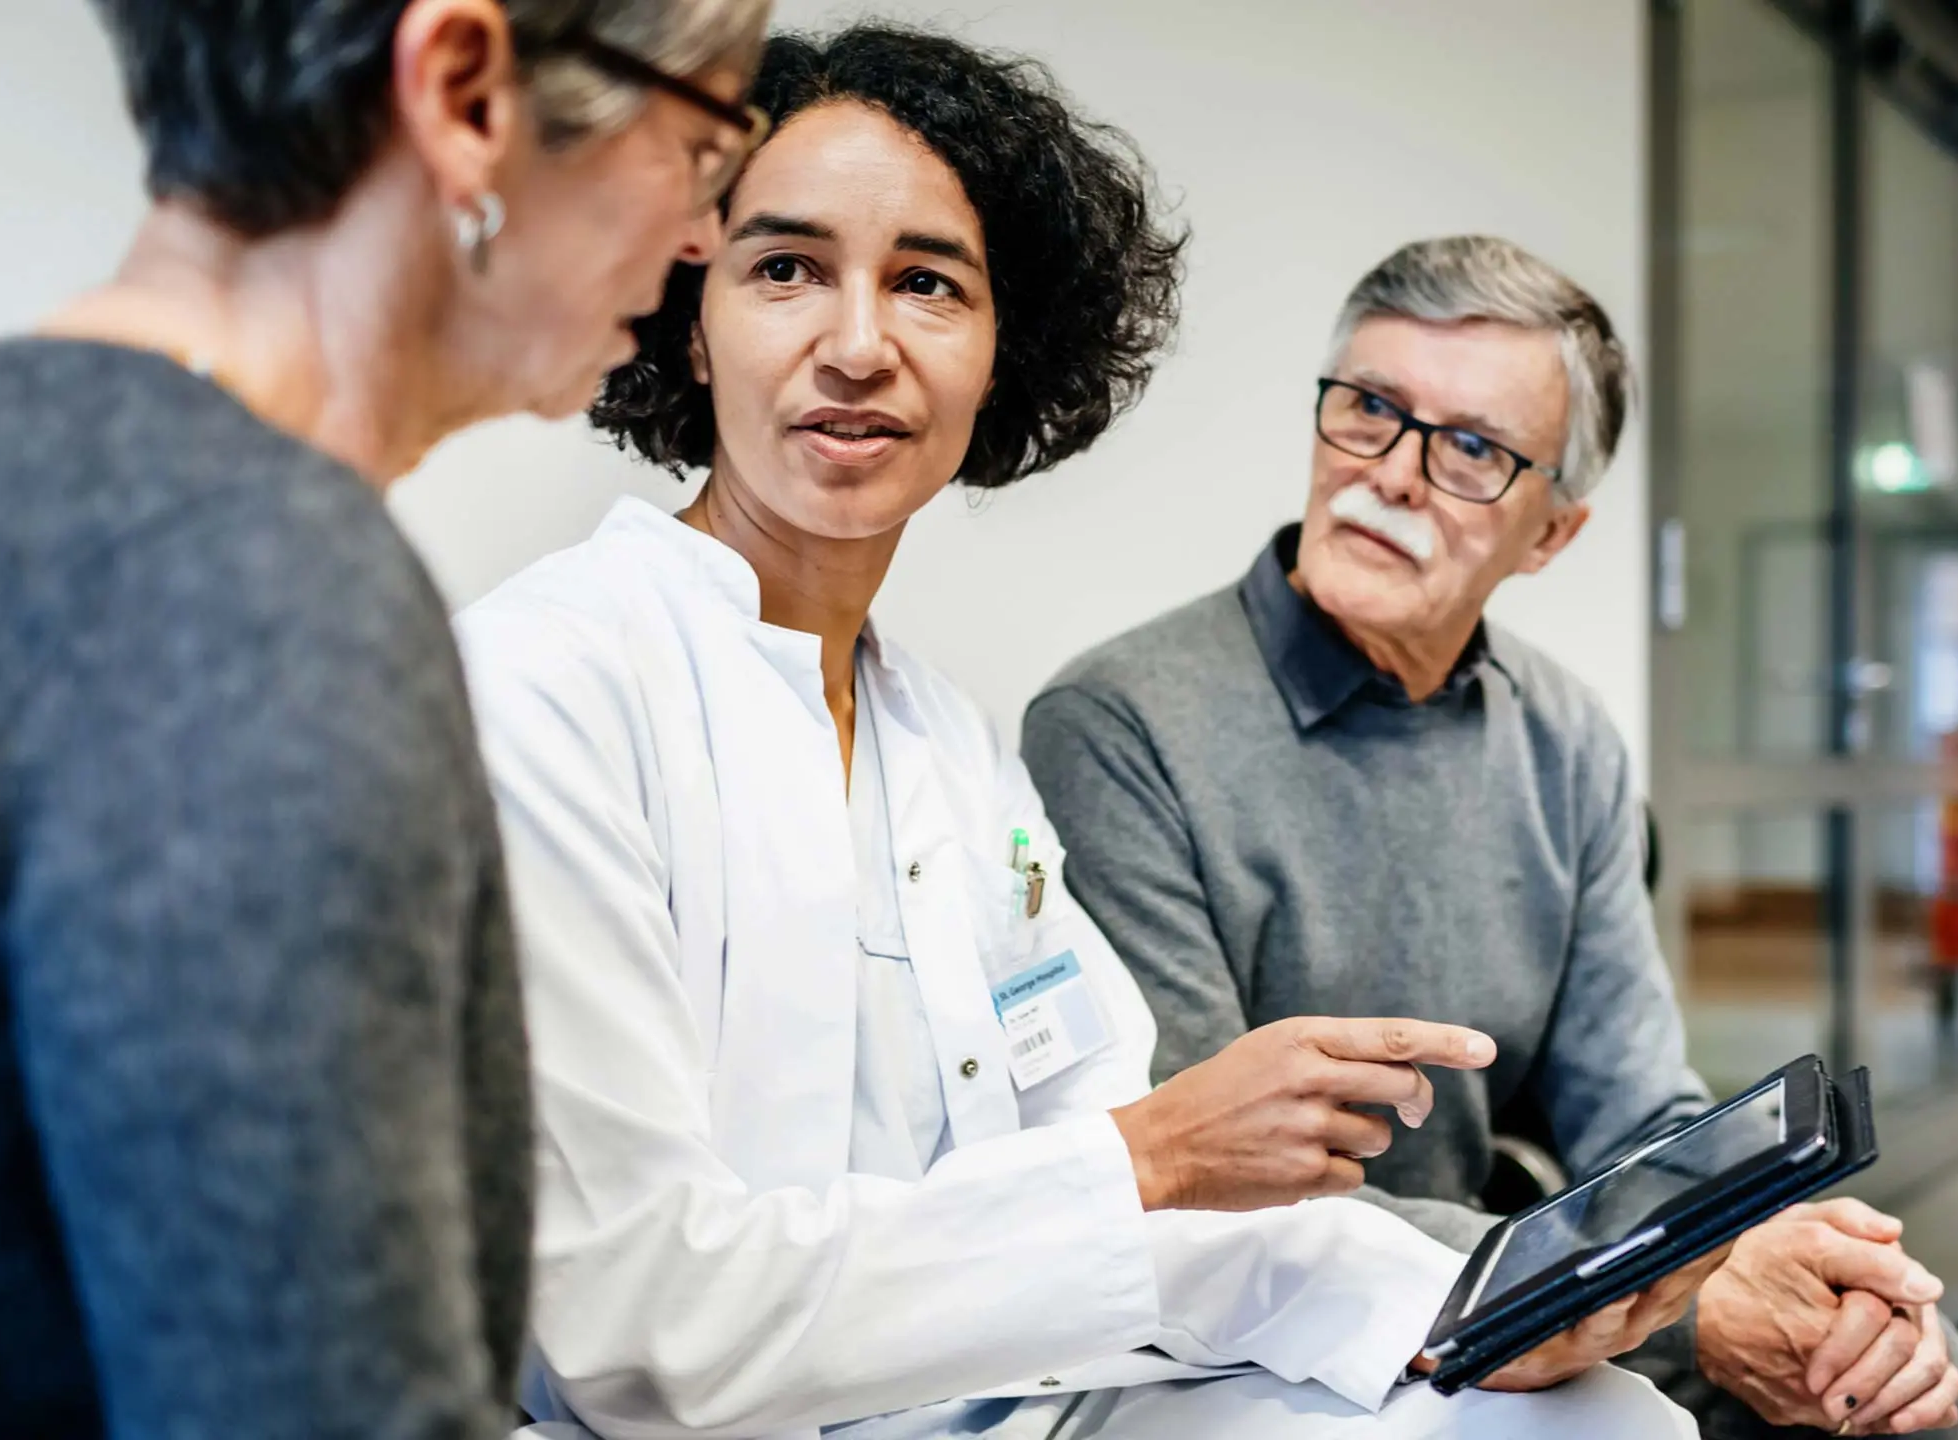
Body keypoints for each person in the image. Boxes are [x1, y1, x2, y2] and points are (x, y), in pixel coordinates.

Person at [457, 27, 1714, 1440]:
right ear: (691, 310)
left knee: (1608, 1425)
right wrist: (1147, 1156)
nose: (857, 347)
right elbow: (649, 1335)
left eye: (928, 284)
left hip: (1028, 1394)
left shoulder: (942, 742)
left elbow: (1144, 1172)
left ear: (1003, 353)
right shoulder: (552, 685)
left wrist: (1478, 1304)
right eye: (785, 269)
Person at [0, 0, 772, 1434]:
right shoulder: (251, 594)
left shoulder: (2, 469)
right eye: (702, 145)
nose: (704, 236)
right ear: (463, 92)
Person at [1023, 235, 1958, 1438]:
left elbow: (1633, 1117)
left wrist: (1771, 1258)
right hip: (1243, 1327)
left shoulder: (1565, 737)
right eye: (1369, 409)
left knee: (1890, 1385)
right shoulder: (1118, 724)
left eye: (1471, 447)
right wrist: (1678, 1292)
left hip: (1514, 1299)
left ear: (1549, 536)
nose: (1396, 474)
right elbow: (1202, 1190)